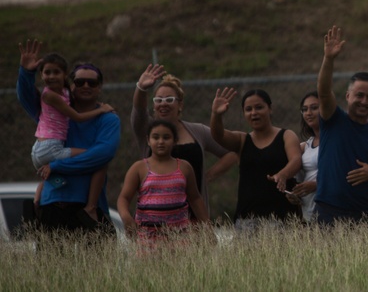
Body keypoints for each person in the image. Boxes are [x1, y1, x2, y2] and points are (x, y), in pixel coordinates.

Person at [18, 43, 120, 234]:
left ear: (100, 87)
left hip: (90, 208)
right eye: (80, 82)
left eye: (92, 82)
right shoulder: (54, 112)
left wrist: (56, 166)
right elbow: (26, 97)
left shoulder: (108, 118)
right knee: (52, 263)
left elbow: (102, 155)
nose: (86, 86)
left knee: (100, 264)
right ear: (70, 83)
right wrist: (26, 72)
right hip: (54, 203)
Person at [131, 65, 238, 216]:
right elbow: (139, 111)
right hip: (157, 219)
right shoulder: (146, 129)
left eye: (169, 99)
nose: (163, 104)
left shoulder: (197, 131)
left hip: (193, 218)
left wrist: (208, 176)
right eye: (158, 100)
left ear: (180, 104)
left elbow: (232, 152)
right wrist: (141, 88)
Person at [315, 25, 368, 224]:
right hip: (329, 211)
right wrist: (329, 59)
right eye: (359, 95)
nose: (364, 101)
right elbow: (324, 93)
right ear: (348, 96)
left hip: (366, 214)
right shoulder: (333, 119)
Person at [210, 88, 301, 226]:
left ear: (270, 109)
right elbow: (218, 135)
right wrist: (216, 115)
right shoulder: (241, 140)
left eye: (259, 107)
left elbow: (296, 160)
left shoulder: (286, 136)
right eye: (248, 109)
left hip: (283, 219)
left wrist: (283, 174)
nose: (254, 113)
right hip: (248, 220)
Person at [117, 120, 210, 248]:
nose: (161, 141)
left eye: (166, 137)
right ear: (148, 140)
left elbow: (195, 199)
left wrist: (208, 229)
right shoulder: (139, 168)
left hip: (179, 237)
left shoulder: (184, 167)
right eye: (156, 137)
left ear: (175, 140)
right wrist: (126, 217)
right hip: (147, 239)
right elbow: (124, 198)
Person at [289, 91, 320, 222]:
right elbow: (300, 179)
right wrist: (295, 194)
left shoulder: (336, 141)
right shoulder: (305, 146)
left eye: (314, 108)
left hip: (329, 213)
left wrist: (318, 185)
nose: (308, 113)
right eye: (304, 109)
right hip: (308, 216)